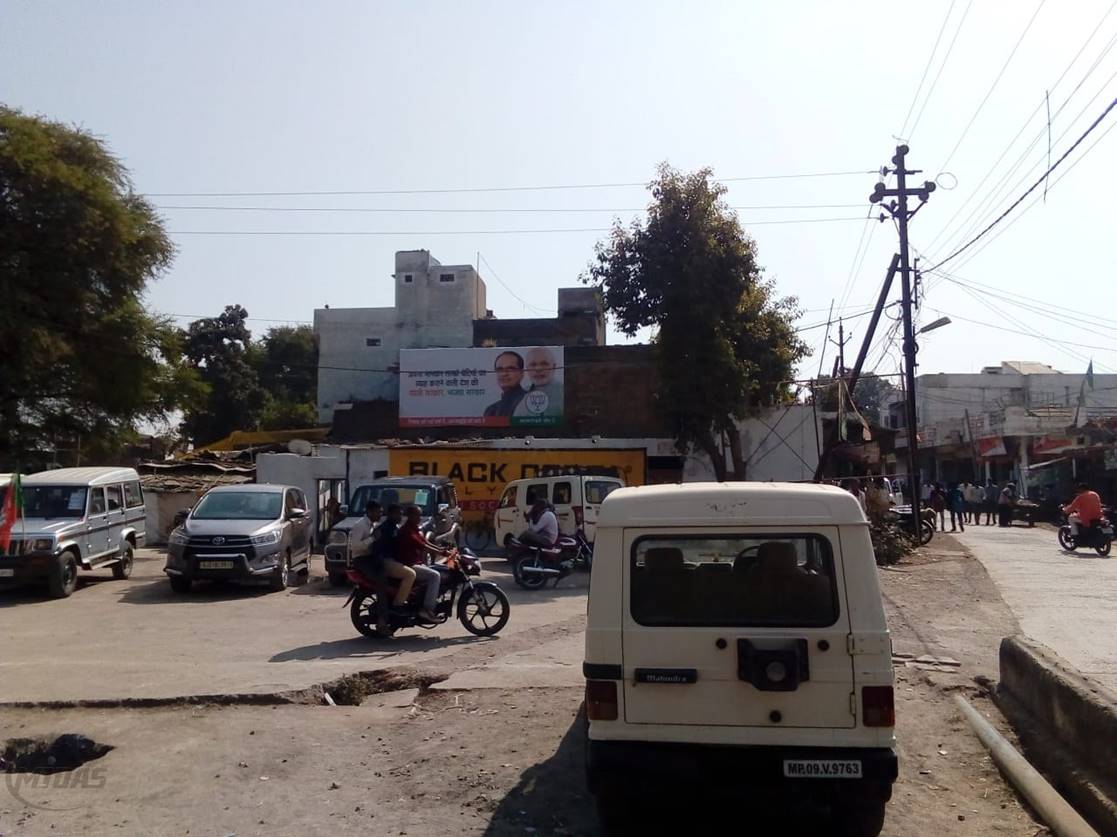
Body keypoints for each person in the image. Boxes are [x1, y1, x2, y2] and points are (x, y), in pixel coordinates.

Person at [393, 505, 450, 622]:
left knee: (439, 569)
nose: (419, 518)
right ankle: (427, 609)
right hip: (409, 564)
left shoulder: (415, 528)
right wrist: (442, 553)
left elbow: (425, 542)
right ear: (410, 516)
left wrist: (442, 550)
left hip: (415, 563)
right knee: (435, 576)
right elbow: (423, 546)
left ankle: (422, 600)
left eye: (420, 515)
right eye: (416, 515)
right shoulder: (407, 530)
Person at [513, 346, 563, 419]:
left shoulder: (563, 392)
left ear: (554, 367)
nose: (538, 369)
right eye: (533, 364)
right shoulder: (521, 396)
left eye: (544, 364)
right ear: (527, 369)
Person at [483, 351, 527, 418]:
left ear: (521, 373)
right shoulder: (491, 410)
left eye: (510, 369)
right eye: (500, 370)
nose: (504, 374)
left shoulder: (528, 402)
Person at [350, 501, 383, 579]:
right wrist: (372, 538)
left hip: (371, 557)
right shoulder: (360, 525)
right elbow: (354, 546)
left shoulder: (375, 525)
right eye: (378, 512)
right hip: (360, 559)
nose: (380, 515)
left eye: (381, 512)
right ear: (369, 512)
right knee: (378, 577)